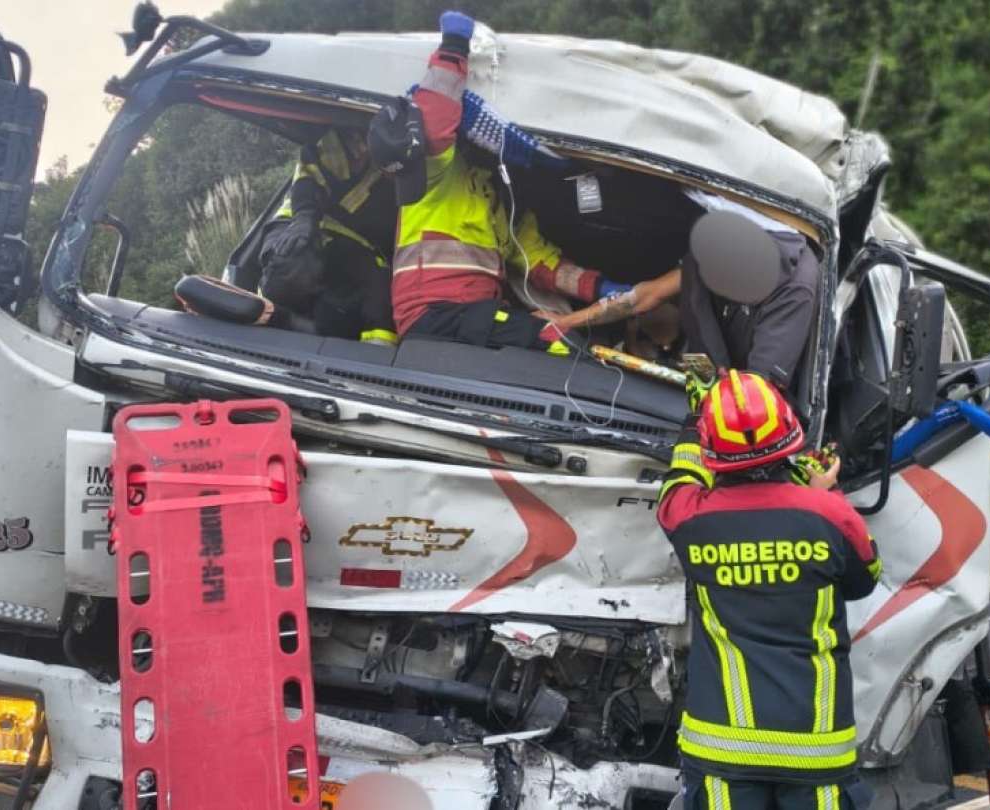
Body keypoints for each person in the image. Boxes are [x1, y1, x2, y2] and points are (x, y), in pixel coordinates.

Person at [657, 370, 881, 810]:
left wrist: (692, 421)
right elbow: (862, 582)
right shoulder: (833, 515)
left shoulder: (688, 518)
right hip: (815, 746)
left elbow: (678, 481)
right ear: (790, 437)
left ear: (711, 452)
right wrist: (823, 492)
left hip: (722, 749)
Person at [368, 11, 633, 355]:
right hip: (432, 314)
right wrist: (454, 48)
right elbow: (432, 126)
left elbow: (542, 263)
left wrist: (601, 288)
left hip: (472, 316)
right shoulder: (436, 175)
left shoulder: (502, 206)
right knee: (557, 343)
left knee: (555, 337)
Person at [539, 205, 819, 392]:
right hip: (704, 370)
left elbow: (757, 393)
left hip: (739, 403)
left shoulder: (794, 292)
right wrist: (565, 322)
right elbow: (644, 296)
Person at [259, 128, 398, 345]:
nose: (360, 151)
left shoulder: (403, 172)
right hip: (296, 223)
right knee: (293, 263)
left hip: (350, 243)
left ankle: (376, 355)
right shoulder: (331, 142)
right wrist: (304, 217)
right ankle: (263, 316)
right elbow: (308, 179)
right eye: (358, 144)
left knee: (378, 289)